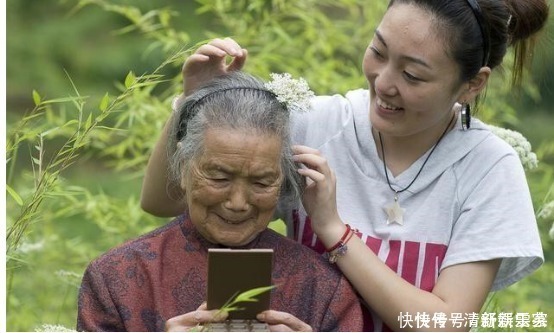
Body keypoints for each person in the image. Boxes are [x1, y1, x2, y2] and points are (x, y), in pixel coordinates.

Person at [140, 0, 549, 331]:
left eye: (412, 75)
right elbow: (163, 200)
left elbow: (442, 324)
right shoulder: (311, 122)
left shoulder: (489, 167)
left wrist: (334, 232)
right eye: (378, 52)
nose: (384, 83)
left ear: (473, 83)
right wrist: (193, 102)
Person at [77, 71, 364, 332]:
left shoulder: (323, 290)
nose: (238, 203)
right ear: (183, 167)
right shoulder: (116, 278)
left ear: (283, 180)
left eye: (261, 182)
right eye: (219, 178)